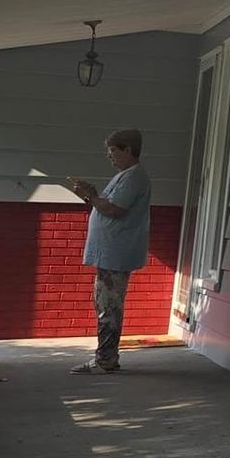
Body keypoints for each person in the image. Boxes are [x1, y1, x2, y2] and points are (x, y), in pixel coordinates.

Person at [64, 129, 150, 375]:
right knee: (104, 302)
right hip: (110, 252)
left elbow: (114, 210)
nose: (109, 156)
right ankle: (106, 357)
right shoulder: (124, 176)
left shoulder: (134, 177)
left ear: (128, 150)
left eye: (113, 150)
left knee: (108, 306)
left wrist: (91, 195)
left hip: (117, 253)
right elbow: (106, 205)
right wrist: (90, 196)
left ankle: (106, 360)